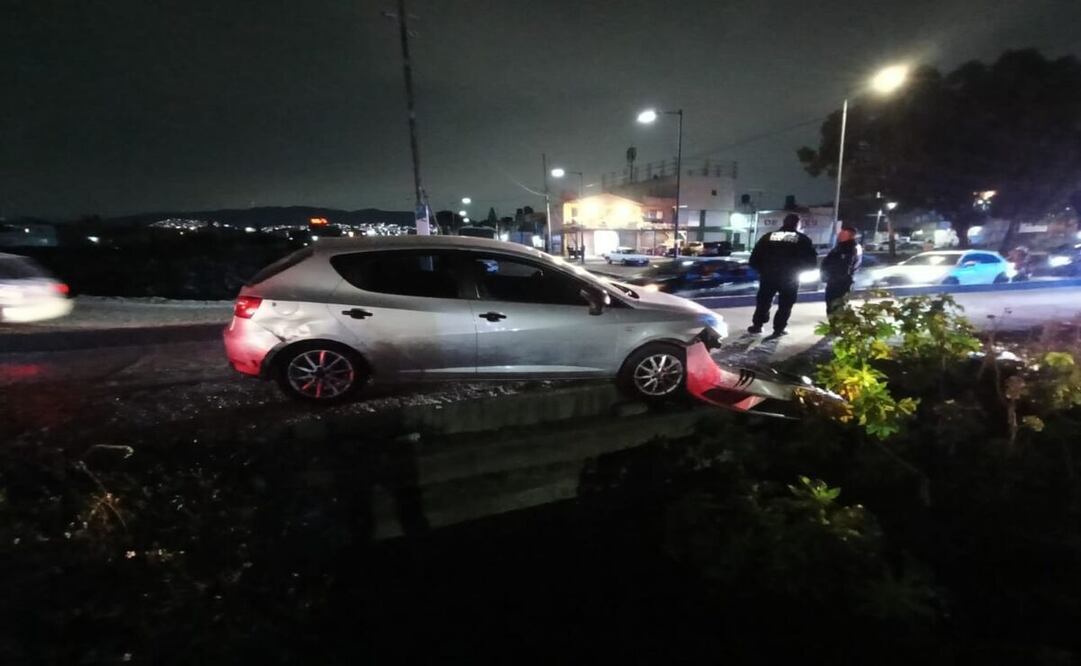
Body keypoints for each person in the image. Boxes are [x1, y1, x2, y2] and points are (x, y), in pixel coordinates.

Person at [747, 213, 818, 337]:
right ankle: (779, 329)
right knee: (785, 304)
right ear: (797, 224)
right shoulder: (802, 239)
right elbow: (811, 262)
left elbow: (754, 259)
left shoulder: (768, 237)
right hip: (790, 278)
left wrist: (763, 270)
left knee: (764, 301)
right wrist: (798, 272)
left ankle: (757, 325)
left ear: (784, 222)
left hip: (768, 276)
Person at [820, 226, 862, 317]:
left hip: (841, 283)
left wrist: (835, 278)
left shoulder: (851, 248)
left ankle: (837, 329)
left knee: (838, 306)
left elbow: (846, 266)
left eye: (843, 233)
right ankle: (834, 328)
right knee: (831, 306)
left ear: (850, 236)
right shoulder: (840, 247)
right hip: (833, 281)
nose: (839, 235)